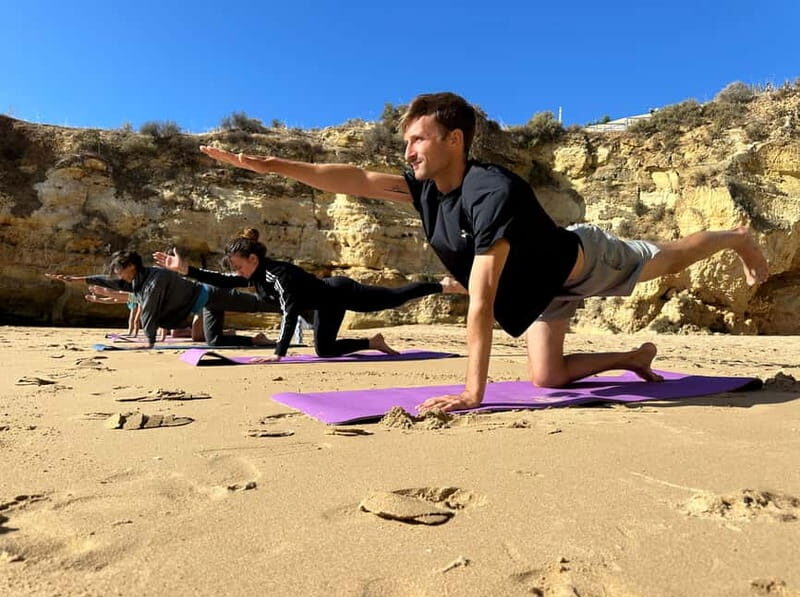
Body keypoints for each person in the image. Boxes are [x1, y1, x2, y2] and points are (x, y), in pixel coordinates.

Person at [198, 92, 769, 411]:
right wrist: (270, 165)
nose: (409, 151)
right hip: (543, 298)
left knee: (666, 257)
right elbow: (352, 177)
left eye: (418, 139)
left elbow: (482, 298)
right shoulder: (423, 186)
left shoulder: (491, 191)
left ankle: (735, 237)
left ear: (454, 140)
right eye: (406, 142)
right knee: (547, 379)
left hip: (584, 264)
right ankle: (632, 361)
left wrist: (475, 393)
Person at [154, 228, 454, 360]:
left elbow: (290, 313)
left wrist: (279, 353)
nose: (236, 271)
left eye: (237, 265)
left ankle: (440, 285)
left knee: (393, 298)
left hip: (339, 292)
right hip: (325, 306)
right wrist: (185, 270)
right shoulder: (255, 274)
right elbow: (220, 279)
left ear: (253, 259)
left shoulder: (276, 275)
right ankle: (372, 342)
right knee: (324, 350)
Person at [45, 250, 280, 348]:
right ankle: (256, 340)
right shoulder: (138, 280)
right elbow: (108, 281)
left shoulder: (155, 279)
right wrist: (76, 278)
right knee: (214, 341)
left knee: (260, 305)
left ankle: (297, 304)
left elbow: (149, 310)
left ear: (132, 267)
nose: (119, 275)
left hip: (213, 294)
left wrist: (149, 341)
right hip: (206, 305)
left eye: (121, 271)